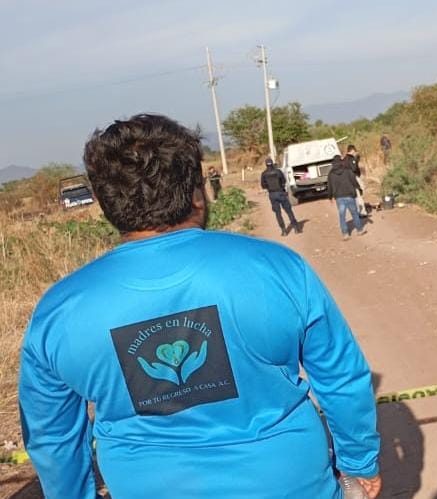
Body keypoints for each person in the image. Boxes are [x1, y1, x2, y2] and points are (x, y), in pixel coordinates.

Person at [18, 114, 381, 499]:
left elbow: (51, 436)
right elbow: (341, 376)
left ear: (107, 206)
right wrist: (359, 462)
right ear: (196, 192)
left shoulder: (60, 311)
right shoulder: (276, 268)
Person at [327, 154, 366, 240]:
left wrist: (330, 197)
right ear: (341, 161)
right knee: (355, 214)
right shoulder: (347, 170)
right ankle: (359, 230)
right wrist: (359, 188)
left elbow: (329, 186)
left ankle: (345, 234)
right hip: (350, 195)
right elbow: (353, 180)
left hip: (339, 198)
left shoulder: (331, 174)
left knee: (342, 216)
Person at [260, 157, 300, 236]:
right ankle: (296, 228)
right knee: (289, 211)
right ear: (272, 163)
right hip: (281, 193)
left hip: (272, 195)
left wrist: (269, 187)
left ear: (266, 165)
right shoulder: (278, 171)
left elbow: (263, 186)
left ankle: (284, 231)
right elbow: (284, 181)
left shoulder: (264, 174)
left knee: (278, 214)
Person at [344, 144, 368, 217]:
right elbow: (354, 169)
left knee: (353, 197)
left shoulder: (344, 159)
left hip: (347, 179)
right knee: (359, 194)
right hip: (354, 178)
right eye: (354, 151)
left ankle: (356, 212)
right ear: (352, 150)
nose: (355, 153)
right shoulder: (351, 159)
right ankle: (362, 212)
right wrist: (356, 160)